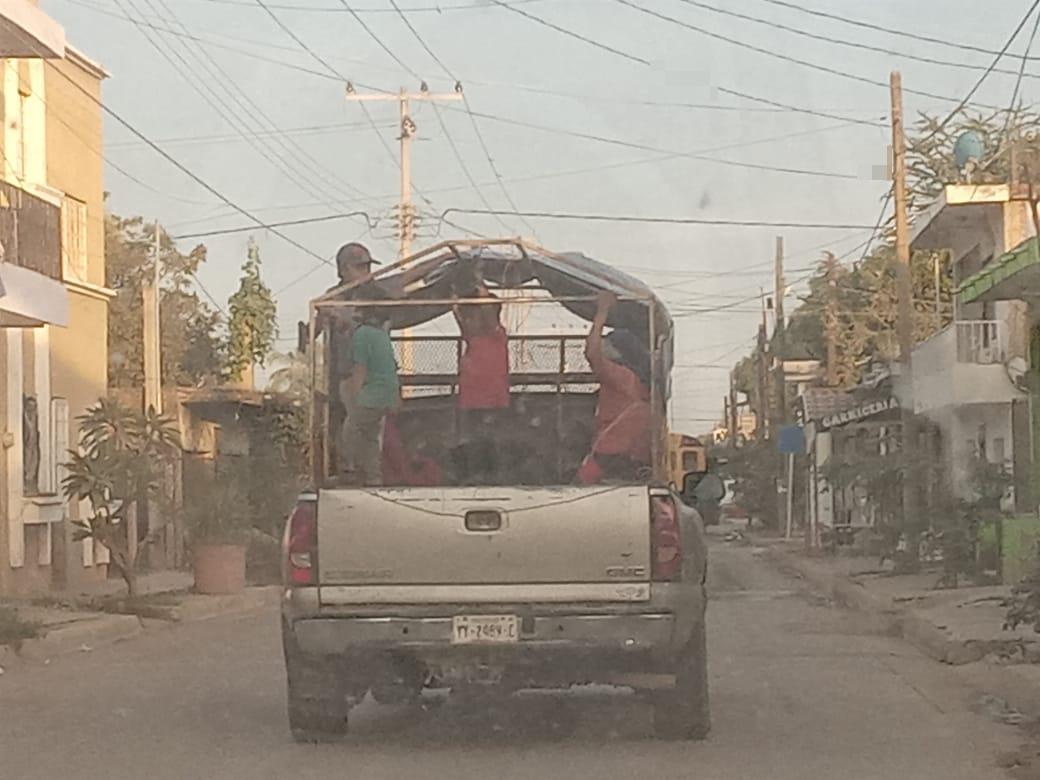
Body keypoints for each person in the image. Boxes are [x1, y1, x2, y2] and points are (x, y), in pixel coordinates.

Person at [577, 291, 652, 484]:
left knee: (573, 493)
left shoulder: (619, 376)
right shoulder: (644, 387)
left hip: (608, 455)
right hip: (635, 458)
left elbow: (591, 352)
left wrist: (602, 311)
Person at [452, 276, 510, 484]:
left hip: (491, 399)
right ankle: (475, 475)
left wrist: (483, 296)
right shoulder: (473, 336)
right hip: (471, 399)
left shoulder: (497, 334)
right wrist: (457, 301)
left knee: (490, 440)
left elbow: (489, 316)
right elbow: (460, 317)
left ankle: (491, 476)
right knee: (472, 441)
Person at [342, 301, 400, 486]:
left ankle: (349, 470)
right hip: (387, 394)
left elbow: (360, 368)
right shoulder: (382, 336)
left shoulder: (361, 335)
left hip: (371, 395)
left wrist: (357, 396)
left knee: (350, 428)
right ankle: (374, 476)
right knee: (370, 435)